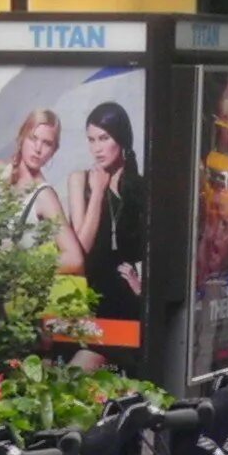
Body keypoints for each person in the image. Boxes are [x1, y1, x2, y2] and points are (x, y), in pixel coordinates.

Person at [65, 101, 147, 320]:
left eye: (104, 138)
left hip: (127, 304)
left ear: (121, 139)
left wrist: (141, 288)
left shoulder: (141, 188)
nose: (96, 149)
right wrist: (98, 192)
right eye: (91, 140)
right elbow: (80, 250)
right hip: (88, 302)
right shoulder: (79, 180)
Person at [0, 107, 84, 272]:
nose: (38, 148)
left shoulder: (44, 196)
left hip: (16, 291)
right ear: (21, 137)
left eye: (47, 143)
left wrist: (22, 263)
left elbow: (74, 258)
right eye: (33, 138)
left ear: (53, 151)